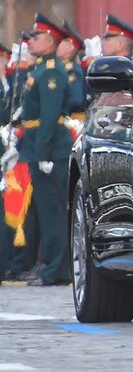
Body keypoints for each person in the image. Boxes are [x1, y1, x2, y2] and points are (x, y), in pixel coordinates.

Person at [17, 14, 74, 286]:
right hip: (37, 145)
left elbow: (50, 116)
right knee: (43, 209)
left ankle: (57, 269)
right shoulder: (40, 67)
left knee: (53, 211)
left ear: (50, 40)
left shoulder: (51, 70)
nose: (31, 41)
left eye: (36, 37)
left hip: (49, 148)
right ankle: (49, 264)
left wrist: (43, 153)